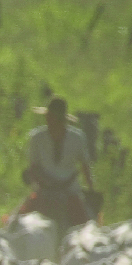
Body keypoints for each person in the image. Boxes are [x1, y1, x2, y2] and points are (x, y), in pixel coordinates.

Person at [20, 96, 93, 235]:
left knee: (86, 228)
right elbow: (33, 166)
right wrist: (41, 181)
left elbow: (85, 166)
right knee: (18, 220)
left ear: (60, 119)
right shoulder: (37, 137)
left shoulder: (77, 138)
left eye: (51, 116)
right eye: (47, 116)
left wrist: (90, 189)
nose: (47, 119)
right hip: (44, 189)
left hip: (70, 190)